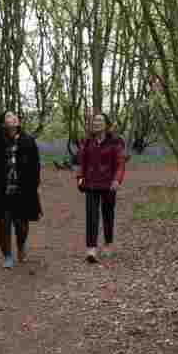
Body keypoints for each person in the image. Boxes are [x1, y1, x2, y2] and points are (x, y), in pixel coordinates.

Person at [0, 111, 42, 269]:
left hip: (23, 191)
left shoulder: (28, 140)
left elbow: (36, 165)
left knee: (22, 225)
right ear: (4, 123)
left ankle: (21, 245)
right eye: (9, 116)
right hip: (2, 191)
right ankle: (7, 255)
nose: (13, 118)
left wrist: (34, 186)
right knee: (4, 225)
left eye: (15, 116)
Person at [75, 112, 127, 263]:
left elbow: (120, 163)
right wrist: (80, 178)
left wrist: (117, 180)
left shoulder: (115, 142)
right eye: (94, 121)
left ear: (106, 124)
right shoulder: (87, 141)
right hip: (91, 183)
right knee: (91, 215)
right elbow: (81, 162)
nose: (96, 123)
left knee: (107, 214)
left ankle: (108, 243)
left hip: (109, 184)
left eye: (100, 120)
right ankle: (91, 249)